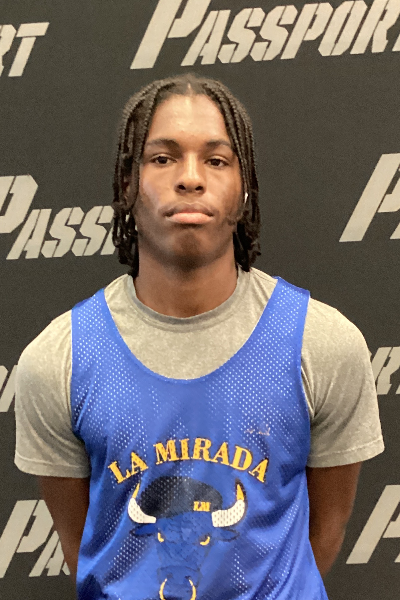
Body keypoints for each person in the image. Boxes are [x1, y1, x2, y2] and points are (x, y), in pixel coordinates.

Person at [15, 73, 383, 600]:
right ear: (126, 184)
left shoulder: (323, 344)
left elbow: (323, 537)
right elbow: (86, 548)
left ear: (244, 187)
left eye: (216, 160)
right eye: (163, 158)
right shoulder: (59, 360)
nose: (190, 178)